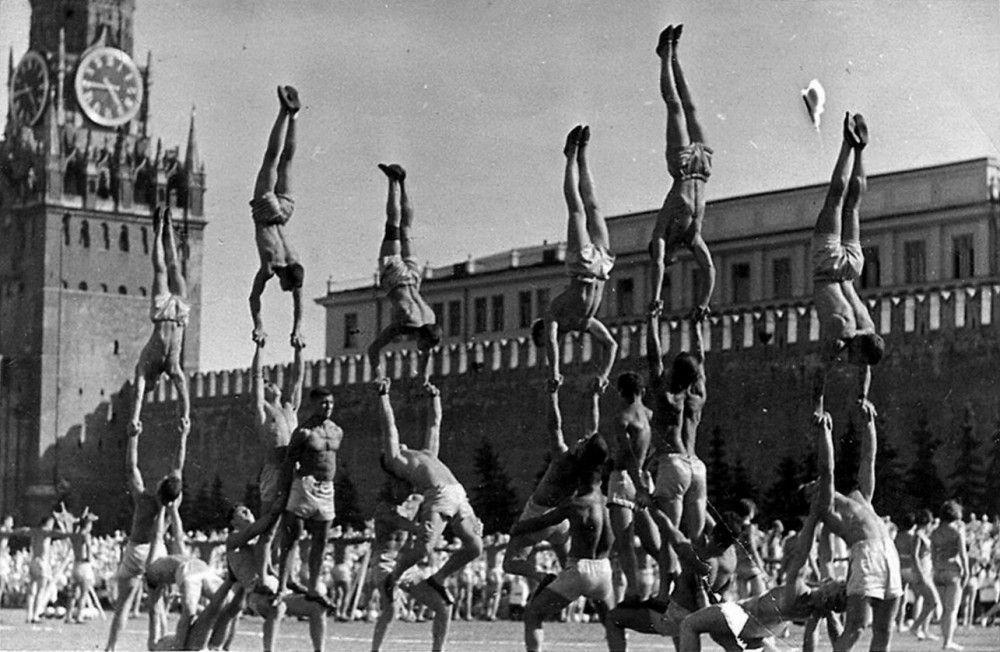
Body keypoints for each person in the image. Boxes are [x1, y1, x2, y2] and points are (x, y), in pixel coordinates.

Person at [677, 414, 847, 651]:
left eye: (838, 583)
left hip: (743, 617)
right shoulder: (815, 611)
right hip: (761, 632)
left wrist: (814, 515)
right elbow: (810, 646)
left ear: (830, 592)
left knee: (689, 625)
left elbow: (804, 548)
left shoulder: (800, 590)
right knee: (723, 637)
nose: (835, 578)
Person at [375, 379, 484, 612]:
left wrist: (435, 398)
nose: (402, 443)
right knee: (424, 548)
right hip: (439, 494)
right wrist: (384, 396)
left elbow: (435, 425)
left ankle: (439, 578)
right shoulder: (396, 460)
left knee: (476, 547)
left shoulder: (425, 454)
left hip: (458, 493)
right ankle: (393, 578)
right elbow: (389, 428)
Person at [531, 125, 618, 394]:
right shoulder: (583, 323)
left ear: (543, 330)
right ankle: (583, 153)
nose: (551, 341)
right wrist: (604, 375)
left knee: (577, 210)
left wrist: (554, 371)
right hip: (602, 267)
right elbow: (611, 344)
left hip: (581, 265)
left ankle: (571, 155)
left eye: (544, 339)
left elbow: (552, 345)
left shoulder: (553, 314)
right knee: (594, 206)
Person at [510, 434, 617, 651]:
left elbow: (541, 522)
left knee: (533, 615)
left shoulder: (576, 504)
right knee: (612, 623)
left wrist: (517, 528)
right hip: (604, 571)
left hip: (579, 570)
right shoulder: (610, 504)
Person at [811, 401, 900, 651]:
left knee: (884, 629)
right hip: (866, 554)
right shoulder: (829, 512)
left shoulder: (863, 500)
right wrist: (824, 431)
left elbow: (868, 459)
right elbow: (827, 470)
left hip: (888, 553)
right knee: (856, 627)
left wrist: (869, 423)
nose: (812, 487)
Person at [811, 112, 885, 418]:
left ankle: (860, 150)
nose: (854, 365)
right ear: (858, 349)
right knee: (835, 199)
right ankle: (846, 144)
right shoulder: (841, 335)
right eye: (857, 360)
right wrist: (818, 407)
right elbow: (820, 373)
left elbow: (866, 366)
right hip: (827, 267)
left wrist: (863, 396)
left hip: (852, 267)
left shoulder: (868, 328)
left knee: (853, 206)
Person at [637, 307, 707, 595]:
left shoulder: (667, 396)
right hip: (697, 466)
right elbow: (701, 360)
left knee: (670, 534)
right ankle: (700, 589)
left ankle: (665, 593)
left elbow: (654, 358)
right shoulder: (698, 395)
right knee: (698, 537)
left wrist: (652, 321)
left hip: (674, 463)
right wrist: (696, 328)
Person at [648, 24, 715, 318]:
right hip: (702, 169)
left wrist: (655, 299)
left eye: (666, 259)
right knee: (690, 107)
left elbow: (657, 263)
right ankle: (671, 52)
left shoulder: (662, 233)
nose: (669, 259)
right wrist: (703, 303)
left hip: (682, 167)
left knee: (677, 106)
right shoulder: (692, 237)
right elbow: (709, 268)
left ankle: (667, 55)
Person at [605, 510, 740, 651]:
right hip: (695, 618)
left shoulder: (697, 557)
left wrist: (651, 505)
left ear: (713, 533)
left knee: (613, 618)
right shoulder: (731, 559)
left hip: (673, 618)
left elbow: (667, 526)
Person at [104, 420, 184, 652]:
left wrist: (133, 437)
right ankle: (155, 646)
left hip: (137, 549)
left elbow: (131, 468)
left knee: (124, 605)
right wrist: (183, 436)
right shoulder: (173, 504)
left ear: (160, 487)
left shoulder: (145, 500)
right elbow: (178, 468)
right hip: (157, 550)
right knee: (156, 605)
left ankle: (111, 648)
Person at [503, 383, 586, 587]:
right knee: (569, 566)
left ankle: (542, 577)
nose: (579, 440)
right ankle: (582, 595)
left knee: (511, 562)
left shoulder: (562, 459)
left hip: (538, 513)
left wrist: (552, 394)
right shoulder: (587, 472)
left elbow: (554, 427)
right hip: (560, 520)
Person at [367, 163, 442, 386]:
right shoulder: (407, 324)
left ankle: (402, 181)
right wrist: (377, 376)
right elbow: (373, 349)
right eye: (423, 346)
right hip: (395, 276)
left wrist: (424, 378)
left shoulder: (431, 320)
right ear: (423, 338)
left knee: (407, 228)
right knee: (392, 226)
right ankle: (393, 181)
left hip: (414, 276)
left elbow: (427, 351)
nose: (422, 350)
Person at [274, 387, 343, 606]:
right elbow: (288, 462)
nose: (328, 407)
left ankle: (313, 587)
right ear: (313, 404)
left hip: (326, 488)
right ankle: (282, 587)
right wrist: (283, 493)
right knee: (292, 536)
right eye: (323, 403)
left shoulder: (337, 431)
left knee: (322, 539)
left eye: (330, 403)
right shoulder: (303, 432)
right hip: (305, 485)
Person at [249, 85, 305, 348]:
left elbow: (299, 304)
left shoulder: (296, 262)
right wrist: (258, 325)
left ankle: (293, 116)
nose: (287, 290)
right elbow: (254, 298)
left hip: (285, 211)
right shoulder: (270, 267)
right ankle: (283, 111)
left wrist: (298, 327)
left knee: (287, 160)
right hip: (266, 210)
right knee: (271, 158)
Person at [128, 204, 191, 435]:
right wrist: (185, 416)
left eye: (150, 386)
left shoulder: (145, 362)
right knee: (174, 268)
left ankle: (160, 228)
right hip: (179, 315)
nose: (151, 386)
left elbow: (138, 393)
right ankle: (169, 227)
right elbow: (183, 391)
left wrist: (135, 418)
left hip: (163, 313)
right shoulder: (172, 368)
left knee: (161, 270)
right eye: (152, 387)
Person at [251, 337, 305, 580]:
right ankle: (261, 575)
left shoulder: (290, 408)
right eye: (266, 383)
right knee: (268, 525)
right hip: (273, 470)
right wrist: (259, 348)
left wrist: (299, 350)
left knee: (291, 526)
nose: (269, 383)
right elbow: (255, 377)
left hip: (292, 471)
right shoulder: (263, 411)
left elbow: (298, 378)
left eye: (271, 381)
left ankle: (282, 572)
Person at [144, 497, 224, 650]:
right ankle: (206, 645)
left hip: (194, 569)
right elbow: (172, 535)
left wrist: (167, 509)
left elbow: (166, 535)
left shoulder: (157, 566)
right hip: (199, 567)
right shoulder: (162, 562)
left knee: (216, 606)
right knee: (216, 607)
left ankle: (204, 645)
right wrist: (170, 510)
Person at [609, 371, 659, 606]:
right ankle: (669, 582)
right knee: (653, 543)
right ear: (642, 391)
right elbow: (655, 448)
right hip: (643, 477)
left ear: (620, 392)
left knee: (625, 542)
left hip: (623, 479)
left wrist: (638, 484)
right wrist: (644, 476)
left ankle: (633, 591)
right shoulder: (650, 416)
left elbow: (627, 455)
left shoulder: (622, 418)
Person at [931, 500, 969, 651]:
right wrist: (966, 571)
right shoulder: (957, 532)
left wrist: (935, 569)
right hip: (953, 570)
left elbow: (933, 555)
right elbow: (963, 554)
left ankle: (946, 640)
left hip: (939, 571)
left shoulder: (934, 532)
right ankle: (948, 641)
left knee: (944, 610)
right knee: (952, 609)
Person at [65, 508, 103, 624]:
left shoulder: (75, 535)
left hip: (76, 564)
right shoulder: (86, 535)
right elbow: (88, 548)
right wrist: (90, 559)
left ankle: (68, 616)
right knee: (83, 592)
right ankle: (79, 616)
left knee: (73, 593)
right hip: (84, 565)